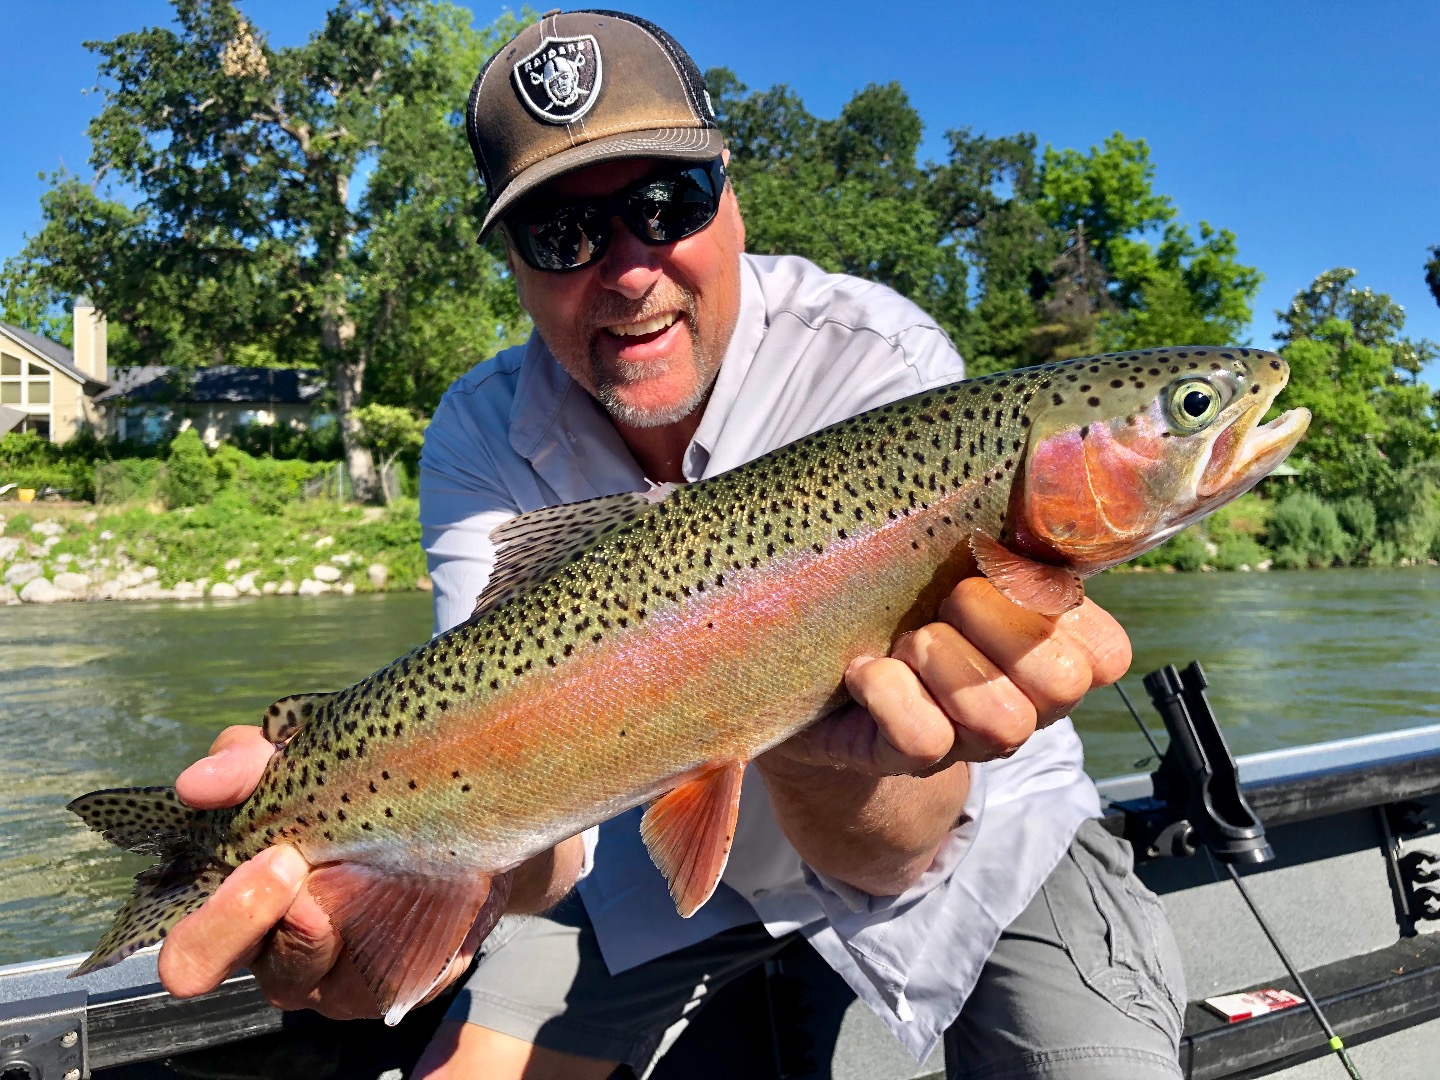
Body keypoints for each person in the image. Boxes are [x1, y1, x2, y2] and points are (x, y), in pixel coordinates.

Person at [158, 11, 1187, 1079]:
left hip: (973, 840)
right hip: (639, 851)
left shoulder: (883, 368)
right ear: (511, 261)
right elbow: (532, 820)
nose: (629, 270)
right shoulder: (477, 432)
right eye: (563, 235)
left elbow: (903, 841)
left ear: (731, 198)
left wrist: (824, 750)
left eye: (666, 205)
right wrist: (403, 874)